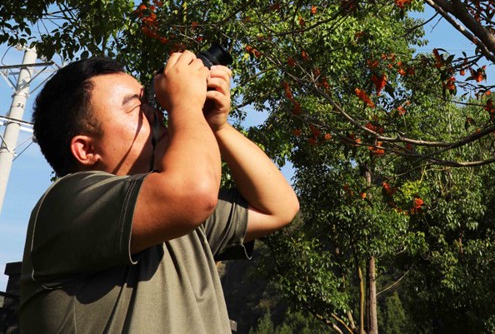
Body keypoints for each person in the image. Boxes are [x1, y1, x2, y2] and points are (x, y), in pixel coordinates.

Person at [19, 49, 300, 333]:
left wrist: (218, 127)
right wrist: (185, 103)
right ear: (86, 149)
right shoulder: (65, 207)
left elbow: (278, 208)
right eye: (136, 107)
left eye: (149, 101)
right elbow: (194, 194)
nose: (156, 111)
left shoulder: (175, 219)